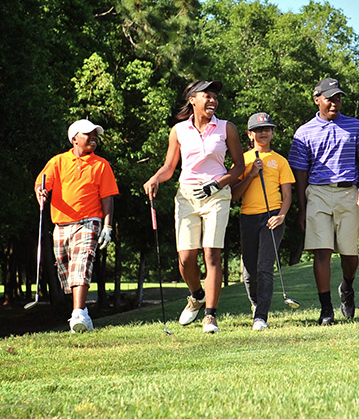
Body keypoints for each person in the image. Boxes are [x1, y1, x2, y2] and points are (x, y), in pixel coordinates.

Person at [142, 80, 246, 334]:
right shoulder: (178, 130)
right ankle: (196, 295)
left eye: (215, 97)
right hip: (187, 196)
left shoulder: (226, 128)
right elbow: (169, 167)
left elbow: (239, 167)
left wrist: (218, 183)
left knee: (212, 254)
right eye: (207, 96)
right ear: (192, 100)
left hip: (217, 194)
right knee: (186, 258)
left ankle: (210, 315)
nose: (213, 101)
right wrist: (155, 178)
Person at [288, 77, 359, 325]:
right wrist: (302, 208)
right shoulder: (304, 132)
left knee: (350, 254)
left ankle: (346, 286)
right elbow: (300, 173)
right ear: (317, 99)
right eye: (330, 98)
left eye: (338, 98)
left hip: (349, 192)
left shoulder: (356, 127)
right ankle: (326, 309)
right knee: (322, 252)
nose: (335, 103)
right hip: (318, 193)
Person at [34, 119, 119, 333]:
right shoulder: (58, 162)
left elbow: (108, 197)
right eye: (87, 134)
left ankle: (78, 314)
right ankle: (83, 314)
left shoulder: (101, 165)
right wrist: (41, 194)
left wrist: (107, 226)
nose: (93, 138)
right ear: (74, 139)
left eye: (95, 135)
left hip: (89, 222)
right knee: (67, 270)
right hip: (61, 223)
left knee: (81, 264)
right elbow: (41, 184)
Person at [231, 112, 294, 331]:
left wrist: (281, 216)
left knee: (265, 266)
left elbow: (287, 195)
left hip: (272, 216)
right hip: (248, 217)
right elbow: (234, 195)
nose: (263, 133)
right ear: (250, 135)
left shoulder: (280, 161)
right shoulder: (243, 161)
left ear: (273, 133)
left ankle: (261, 316)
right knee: (249, 271)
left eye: (267, 129)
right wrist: (250, 173)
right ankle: (256, 303)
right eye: (258, 130)